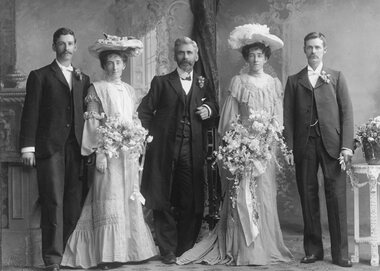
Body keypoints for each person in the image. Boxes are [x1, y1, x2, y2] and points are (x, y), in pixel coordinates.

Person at [176, 24, 293, 266]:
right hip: (242, 149)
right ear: (246, 57)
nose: (255, 59)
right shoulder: (239, 81)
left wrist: (266, 144)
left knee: (263, 196)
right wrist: (238, 146)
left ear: (266, 57)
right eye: (251, 55)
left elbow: (277, 118)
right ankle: (242, 247)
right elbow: (229, 120)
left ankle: (265, 245)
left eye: (259, 55)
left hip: (265, 149)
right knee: (241, 197)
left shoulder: (273, 83)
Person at [60, 34, 158, 269]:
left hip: (128, 153)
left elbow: (133, 120)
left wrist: (137, 141)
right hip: (109, 152)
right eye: (110, 62)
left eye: (118, 62)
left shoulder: (129, 90)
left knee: (128, 197)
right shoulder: (97, 88)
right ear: (104, 65)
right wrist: (100, 152)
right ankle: (107, 253)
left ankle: (131, 251)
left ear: (125, 64)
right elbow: (93, 122)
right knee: (108, 197)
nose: (114, 67)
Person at [137, 37, 219, 264]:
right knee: (162, 199)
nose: (185, 57)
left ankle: (185, 248)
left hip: (192, 151)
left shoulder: (203, 83)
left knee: (191, 201)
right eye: (181, 53)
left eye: (189, 53)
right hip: (164, 150)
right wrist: (148, 138)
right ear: (175, 55)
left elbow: (215, 107)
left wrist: (208, 110)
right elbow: (144, 112)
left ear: (196, 56)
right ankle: (168, 250)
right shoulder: (161, 82)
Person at [19, 27, 90, 271]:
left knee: (73, 204)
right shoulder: (40, 76)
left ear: (75, 46)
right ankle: (52, 259)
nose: (66, 48)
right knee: (53, 202)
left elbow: (86, 115)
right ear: (54, 47)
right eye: (61, 44)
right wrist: (28, 147)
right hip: (50, 148)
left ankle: (69, 255)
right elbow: (30, 113)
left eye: (70, 43)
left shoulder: (83, 78)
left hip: (77, 148)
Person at [283, 32, 354, 268]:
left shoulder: (335, 77)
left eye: (317, 47)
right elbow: (289, 118)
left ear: (325, 49)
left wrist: (346, 146)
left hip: (332, 146)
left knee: (336, 197)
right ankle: (313, 250)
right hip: (305, 145)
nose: (313, 52)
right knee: (308, 195)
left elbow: (347, 114)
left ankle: (340, 254)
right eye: (309, 48)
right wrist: (290, 147)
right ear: (304, 50)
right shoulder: (294, 80)